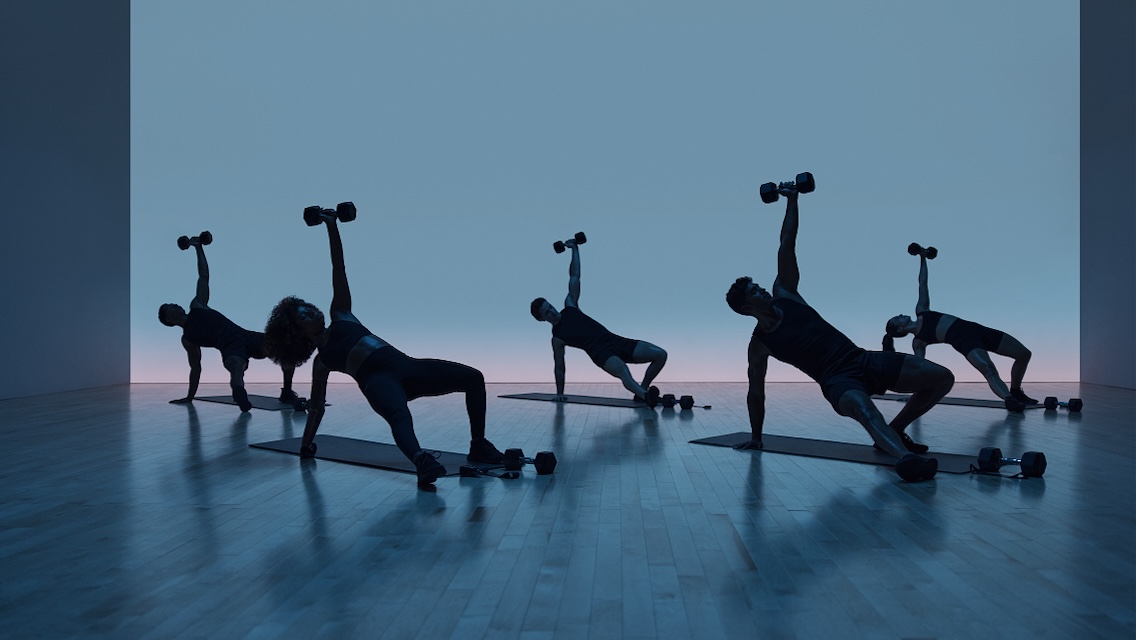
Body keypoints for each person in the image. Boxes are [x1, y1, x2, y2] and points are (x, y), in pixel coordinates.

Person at [725, 183, 954, 482]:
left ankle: (895, 431)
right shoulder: (759, 344)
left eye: (758, 285)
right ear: (745, 308)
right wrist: (757, 436)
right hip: (838, 382)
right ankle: (906, 460)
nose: (762, 289)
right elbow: (756, 392)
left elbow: (787, 242)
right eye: (754, 291)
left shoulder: (787, 293)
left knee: (942, 378)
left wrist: (792, 200)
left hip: (862, 360)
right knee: (867, 413)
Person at [263, 209, 505, 486]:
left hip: (409, 368)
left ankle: (479, 445)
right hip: (378, 383)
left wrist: (331, 226)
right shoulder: (322, 362)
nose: (309, 313)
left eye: (307, 308)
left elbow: (338, 268)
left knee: (473, 378)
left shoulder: (341, 314)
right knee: (399, 416)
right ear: (297, 333)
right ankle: (421, 462)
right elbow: (316, 408)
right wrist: (306, 445)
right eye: (302, 317)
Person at [158, 234, 303, 412]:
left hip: (244, 336)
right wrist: (189, 397)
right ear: (169, 320)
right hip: (229, 348)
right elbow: (195, 368)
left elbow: (204, 276)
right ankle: (240, 395)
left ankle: (287, 391)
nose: (174, 304)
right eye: (169, 307)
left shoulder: (198, 306)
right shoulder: (188, 339)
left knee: (285, 349)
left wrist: (198, 248)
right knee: (236, 367)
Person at [883, 250, 1036, 412]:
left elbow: (922, 283)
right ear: (900, 328)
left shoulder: (922, 311)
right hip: (966, 342)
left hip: (978, 330)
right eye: (897, 318)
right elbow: (919, 368)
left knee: (1024, 354)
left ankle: (1016, 391)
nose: (900, 315)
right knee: (989, 369)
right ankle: (1009, 400)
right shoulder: (919, 341)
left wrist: (923, 257)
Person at [530, 236, 668, 404]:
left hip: (615, 340)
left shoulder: (570, 305)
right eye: (547, 312)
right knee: (623, 371)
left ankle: (642, 391)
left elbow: (575, 275)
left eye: (550, 307)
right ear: (541, 319)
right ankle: (646, 397)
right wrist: (559, 392)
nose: (552, 311)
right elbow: (560, 367)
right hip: (600, 353)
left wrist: (574, 248)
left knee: (660, 355)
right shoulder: (557, 338)